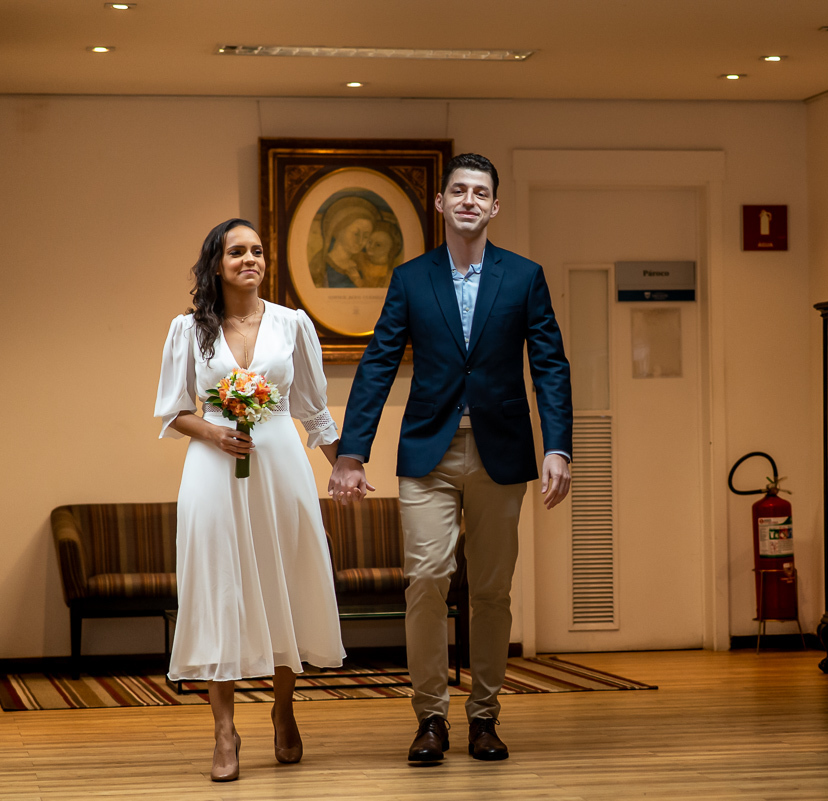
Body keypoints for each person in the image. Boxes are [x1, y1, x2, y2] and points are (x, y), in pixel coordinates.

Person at [329, 153, 573, 763]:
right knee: (428, 580)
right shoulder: (412, 278)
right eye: (458, 191)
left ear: (494, 207)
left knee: (491, 590)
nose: (468, 200)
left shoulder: (524, 277)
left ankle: (485, 717)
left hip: (502, 453)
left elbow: (549, 364)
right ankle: (430, 719)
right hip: (429, 456)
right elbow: (380, 362)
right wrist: (351, 452)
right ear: (440, 204)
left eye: (480, 192)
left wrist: (558, 446)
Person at [154, 218, 350, 782]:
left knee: (282, 581)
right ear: (216, 263)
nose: (250, 259)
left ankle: (284, 710)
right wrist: (215, 432)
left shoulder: (293, 325)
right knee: (219, 587)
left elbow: (313, 409)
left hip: (281, 467)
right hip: (213, 471)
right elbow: (173, 410)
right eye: (237, 251)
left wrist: (344, 466)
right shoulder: (188, 330)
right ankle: (223, 730)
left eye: (257, 251)